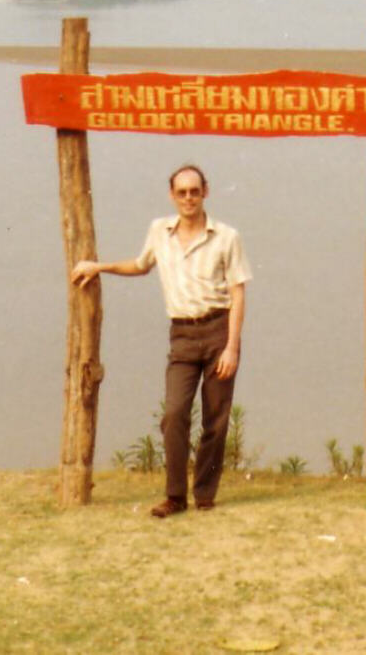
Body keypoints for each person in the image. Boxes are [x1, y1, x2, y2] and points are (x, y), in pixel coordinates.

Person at [70, 164, 251, 518]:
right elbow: (141, 265)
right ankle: (175, 496)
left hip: (218, 331)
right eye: (181, 192)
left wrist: (232, 346)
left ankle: (204, 494)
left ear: (205, 192)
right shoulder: (159, 231)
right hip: (182, 334)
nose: (188, 198)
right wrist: (99, 267)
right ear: (172, 195)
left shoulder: (227, 236)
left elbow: (239, 293)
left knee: (215, 419)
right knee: (174, 414)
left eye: (194, 191)